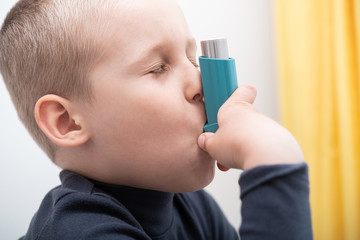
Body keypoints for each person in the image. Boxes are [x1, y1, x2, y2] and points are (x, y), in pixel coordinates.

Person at [0, 0, 313, 239]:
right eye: (158, 68)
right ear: (67, 122)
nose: (200, 83)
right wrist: (272, 163)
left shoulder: (192, 206)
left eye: (192, 59)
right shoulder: (77, 231)